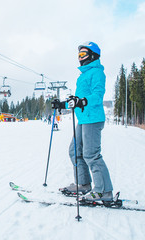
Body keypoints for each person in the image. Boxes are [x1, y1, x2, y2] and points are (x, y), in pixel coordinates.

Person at [51, 41, 113, 202]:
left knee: (91, 154)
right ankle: (84, 184)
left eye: (83, 54)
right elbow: (78, 101)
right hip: (84, 119)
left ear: (92, 55)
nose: (80, 58)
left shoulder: (97, 73)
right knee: (74, 151)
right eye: (79, 55)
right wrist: (63, 104)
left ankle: (104, 192)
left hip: (93, 119)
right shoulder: (84, 75)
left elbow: (97, 96)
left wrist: (82, 101)